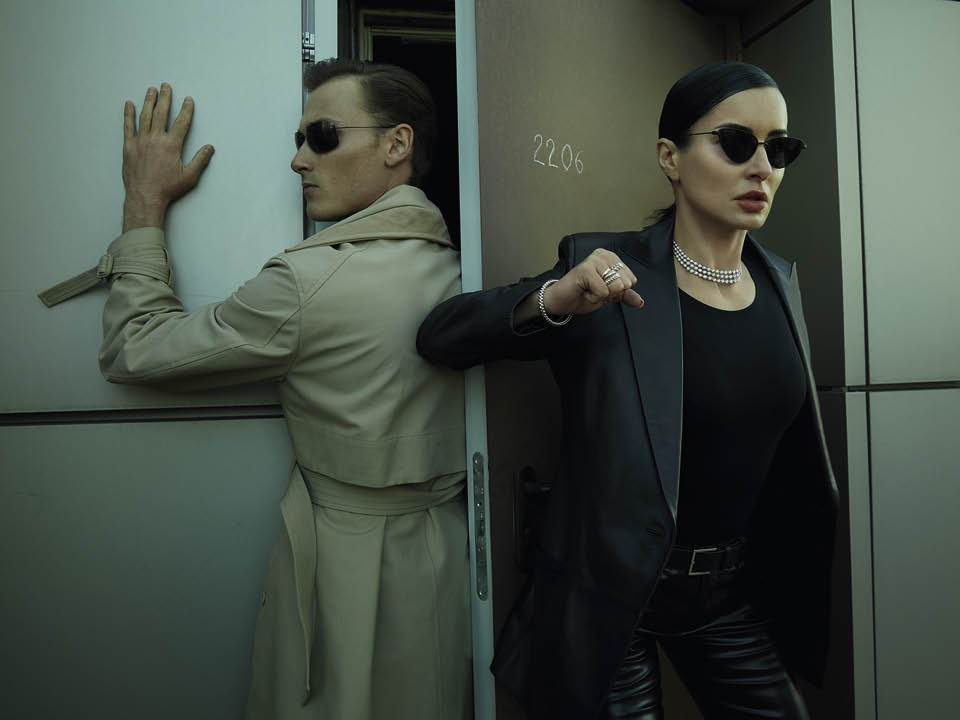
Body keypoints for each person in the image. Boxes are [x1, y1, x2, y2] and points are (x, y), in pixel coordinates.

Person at [417, 61, 838, 719]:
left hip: (730, 599)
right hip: (611, 598)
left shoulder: (780, 281)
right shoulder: (606, 271)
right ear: (670, 157)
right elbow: (440, 337)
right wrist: (554, 299)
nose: (762, 167)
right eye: (736, 143)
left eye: (778, 148)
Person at [67, 58, 472, 719]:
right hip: (455, 561)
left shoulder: (306, 283)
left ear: (397, 144)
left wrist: (142, 207)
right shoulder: (472, 270)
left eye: (323, 136)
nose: (298, 160)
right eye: (298, 140)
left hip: (346, 570)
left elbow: (133, 349)